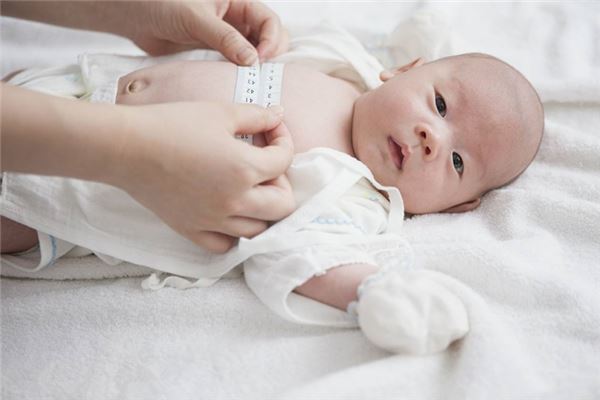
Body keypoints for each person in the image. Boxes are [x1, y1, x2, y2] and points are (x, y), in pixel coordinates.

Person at [0, 21, 544, 353]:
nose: (432, 138)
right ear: (402, 70)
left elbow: (307, 256)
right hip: (60, 86)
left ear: (457, 205)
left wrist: (371, 291)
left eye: (456, 161)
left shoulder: (351, 195)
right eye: (440, 104)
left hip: (64, 194)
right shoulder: (338, 63)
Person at [0, 0, 294, 253]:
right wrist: (132, 151)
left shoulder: (325, 179)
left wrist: (131, 7)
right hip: (63, 103)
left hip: (65, 188)